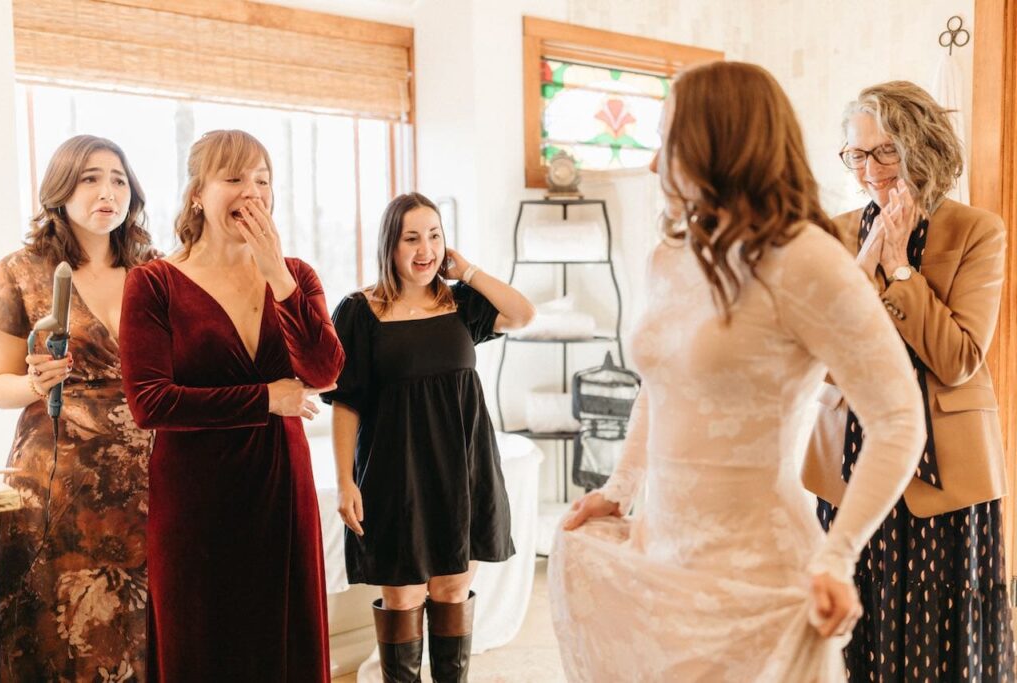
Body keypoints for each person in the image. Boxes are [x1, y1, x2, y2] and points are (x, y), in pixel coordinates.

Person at [548, 61, 927, 681]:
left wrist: (838, 555)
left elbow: (898, 418)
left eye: (666, 140)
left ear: (715, 144)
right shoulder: (668, 255)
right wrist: (619, 490)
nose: (652, 163)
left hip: (759, 580)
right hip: (660, 555)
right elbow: (661, 386)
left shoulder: (808, 261)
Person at [803, 80, 1015, 681]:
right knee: (851, 630)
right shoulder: (835, 233)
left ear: (923, 148)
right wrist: (867, 257)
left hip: (944, 471)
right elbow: (814, 357)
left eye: (885, 151)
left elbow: (957, 359)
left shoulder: (977, 232)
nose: (870, 170)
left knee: (940, 637)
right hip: (849, 463)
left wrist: (901, 269)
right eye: (857, 154)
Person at [119, 129, 344, 681]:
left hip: (281, 483)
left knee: (282, 637)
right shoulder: (154, 284)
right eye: (235, 177)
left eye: (263, 180)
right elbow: (151, 403)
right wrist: (267, 397)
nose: (252, 192)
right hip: (194, 493)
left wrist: (277, 276)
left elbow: (324, 372)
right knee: (202, 638)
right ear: (198, 192)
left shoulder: (297, 275)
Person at [322, 192, 534, 682]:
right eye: (412, 238)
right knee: (403, 595)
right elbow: (347, 402)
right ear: (390, 246)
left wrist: (471, 271)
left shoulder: (460, 303)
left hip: (464, 469)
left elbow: (523, 314)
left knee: (453, 591)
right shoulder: (359, 311)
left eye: (435, 236)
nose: (426, 249)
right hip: (396, 474)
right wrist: (345, 482)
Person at [0, 135, 157, 681]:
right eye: (90, 178)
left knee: (140, 632)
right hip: (57, 481)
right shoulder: (22, 270)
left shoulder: (156, 271)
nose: (107, 190)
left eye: (118, 178)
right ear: (60, 188)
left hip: (150, 480)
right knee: (57, 632)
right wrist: (36, 383)